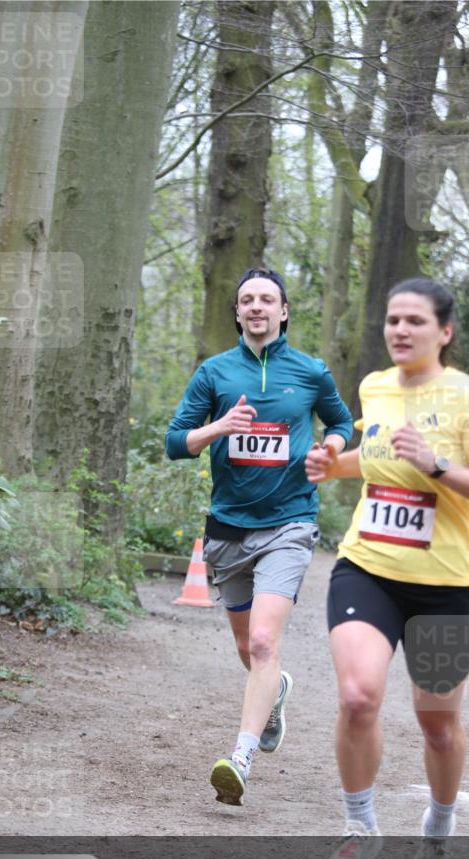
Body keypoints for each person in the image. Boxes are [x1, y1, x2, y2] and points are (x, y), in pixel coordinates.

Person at [305, 277, 469, 859]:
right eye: (393, 319)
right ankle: (360, 827)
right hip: (367, 566)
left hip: (444, 587)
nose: (400, 330)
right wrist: (333, 466)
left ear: (444, 332)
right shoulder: (375, 387)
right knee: (357, 697)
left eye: (415, 321)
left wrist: (438, 464)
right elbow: (378, 456)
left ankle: (438, 828)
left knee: (438, 725)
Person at [166, 266, 353, 806]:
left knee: (266, 642)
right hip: (228, 527)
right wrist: (219, 428)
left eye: (266, 299)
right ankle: (276, 692)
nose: (256, 306)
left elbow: (342, 423)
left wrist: (331, 450)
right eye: (247, 299)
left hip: (290, 523)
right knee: (249, 648)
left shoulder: (311, 372)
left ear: (283, 311)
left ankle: (240, 757)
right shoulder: (215, 373)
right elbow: (176, 442)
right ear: (237, 311)